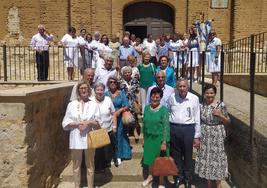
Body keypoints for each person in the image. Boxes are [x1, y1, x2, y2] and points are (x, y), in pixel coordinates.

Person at [62, 80, 99, 188]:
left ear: (89, 90)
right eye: (81, 88)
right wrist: (77, 124)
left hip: (90, 138)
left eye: (86, 88)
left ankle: (90, 186)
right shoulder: (72, 105)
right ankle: (77, 186)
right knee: (76, 165)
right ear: (78, 91)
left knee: (90, 165)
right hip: (76, 138)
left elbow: (98, 122)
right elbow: (65, 122)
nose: (84, 90)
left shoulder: (94, 104)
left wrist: (88, 123)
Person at [195, 84, 230, 188]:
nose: (209, 95)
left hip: (217, 135)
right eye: (207, 93)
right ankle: (209, 184)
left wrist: (220, 115)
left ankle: (218, 184)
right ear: (204, 94)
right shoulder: (201, 105)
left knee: (217, 159)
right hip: (205, 134)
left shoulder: (221, 105)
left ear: (215, 94)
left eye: (211, 93)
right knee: (207, 159)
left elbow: (228, 121)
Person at [167, 78, 200, 188]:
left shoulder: (194, 98)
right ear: (177, 87)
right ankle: (178, 177)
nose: (182, 88)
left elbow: (197, 117)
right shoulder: (172, 98)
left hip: (188, 129)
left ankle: (187, 179)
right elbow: (168, 112)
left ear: (187, 87)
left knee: (187, 156)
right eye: (180, 86)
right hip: (174, 128)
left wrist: (197, 136)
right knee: (176, 155)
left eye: (184, 86)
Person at [142, 87, 170, 188]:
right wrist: (144, 139)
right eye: (153, 96)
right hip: (149, 138)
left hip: (159, 139)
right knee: (150, 160)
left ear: (160, 98)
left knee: (161, 161)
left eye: (157, 97)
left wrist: (164, 142)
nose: (154, 99)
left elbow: (166, 127)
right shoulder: (146, 108)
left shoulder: (164, 110)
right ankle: (150, 176)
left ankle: (162, 181)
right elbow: (144, 125)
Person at [105, 77, 132, 166]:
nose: (112, 83)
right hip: (108, 119)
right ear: (108, 84)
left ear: (117, 84)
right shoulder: (105, 94)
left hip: (119, 119)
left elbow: (127, 105)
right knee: (110, 138)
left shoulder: (121, 93)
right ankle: (112, 156)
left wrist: (119, 111)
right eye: (110, 82)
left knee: (119, 136)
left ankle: (119, 155)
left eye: (114, 82)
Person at [91, 83, 117, 171]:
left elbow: (113, 114)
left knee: (107, 150)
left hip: (108, 129)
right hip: (96, 130)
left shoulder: (108, 99)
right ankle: (98, 167)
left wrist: (114, 126)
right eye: (97, 90)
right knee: (98, 151)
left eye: (101, 90)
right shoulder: (91, 101)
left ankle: (106, 165)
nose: (99, 92)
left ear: (104, 90)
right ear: (94, 91)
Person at [120, 66, 142, 142]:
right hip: (124, 101)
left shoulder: (135, 81)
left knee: (135, 117)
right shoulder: (120, 82)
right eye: (125, 72)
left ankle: (135, 131)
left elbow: (138, 92)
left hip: (133, 101)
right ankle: (126, 131)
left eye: (128, 72)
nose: (127, 74)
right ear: (122, 73)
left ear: (131, 73)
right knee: (126, 117)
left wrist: (139, 102)